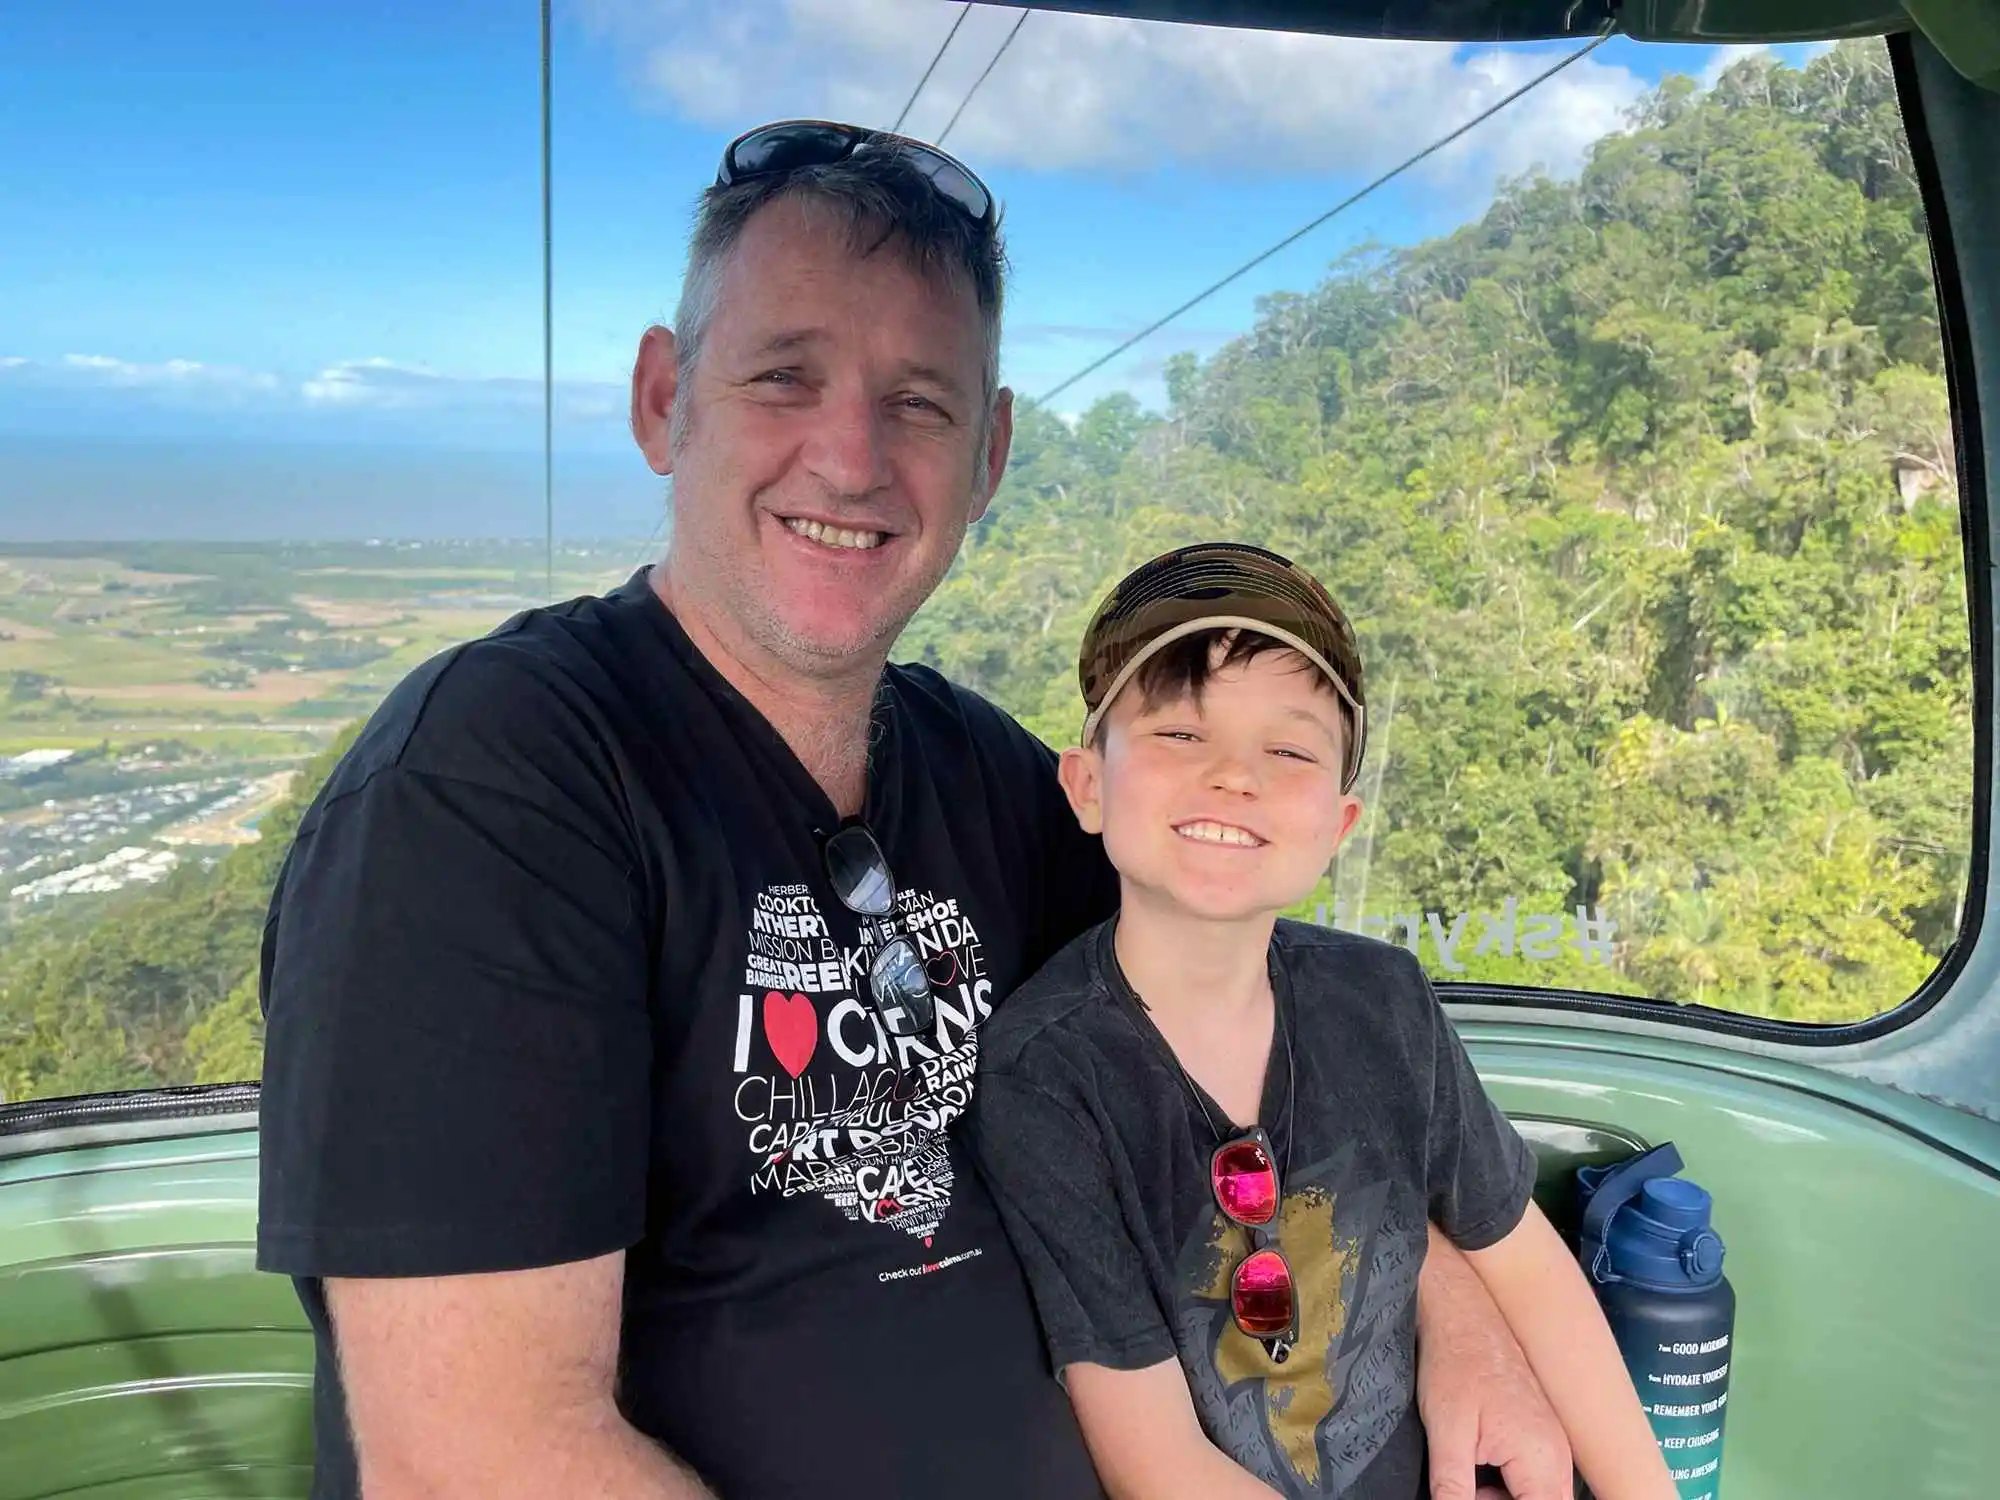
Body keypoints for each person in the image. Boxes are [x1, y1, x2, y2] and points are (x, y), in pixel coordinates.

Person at [254, 119, 1572, 1500]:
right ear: (663, 400)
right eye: (786, 376)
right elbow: (475, 1460)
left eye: (922, 404)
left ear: (989, 455)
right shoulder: (490, 793)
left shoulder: (990, 779)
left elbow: (1282, 1028)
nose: (854, 457)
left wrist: (1458, 1315)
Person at [965, 543, 1676, 1500]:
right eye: (1179, 734)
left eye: (1289, 749)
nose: (1233, 777)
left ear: (1337, 829)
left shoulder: (1382, 1001)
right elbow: (1157, 1461)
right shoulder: (1046, 1077)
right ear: (1087, 785)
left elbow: (1532, 1275)